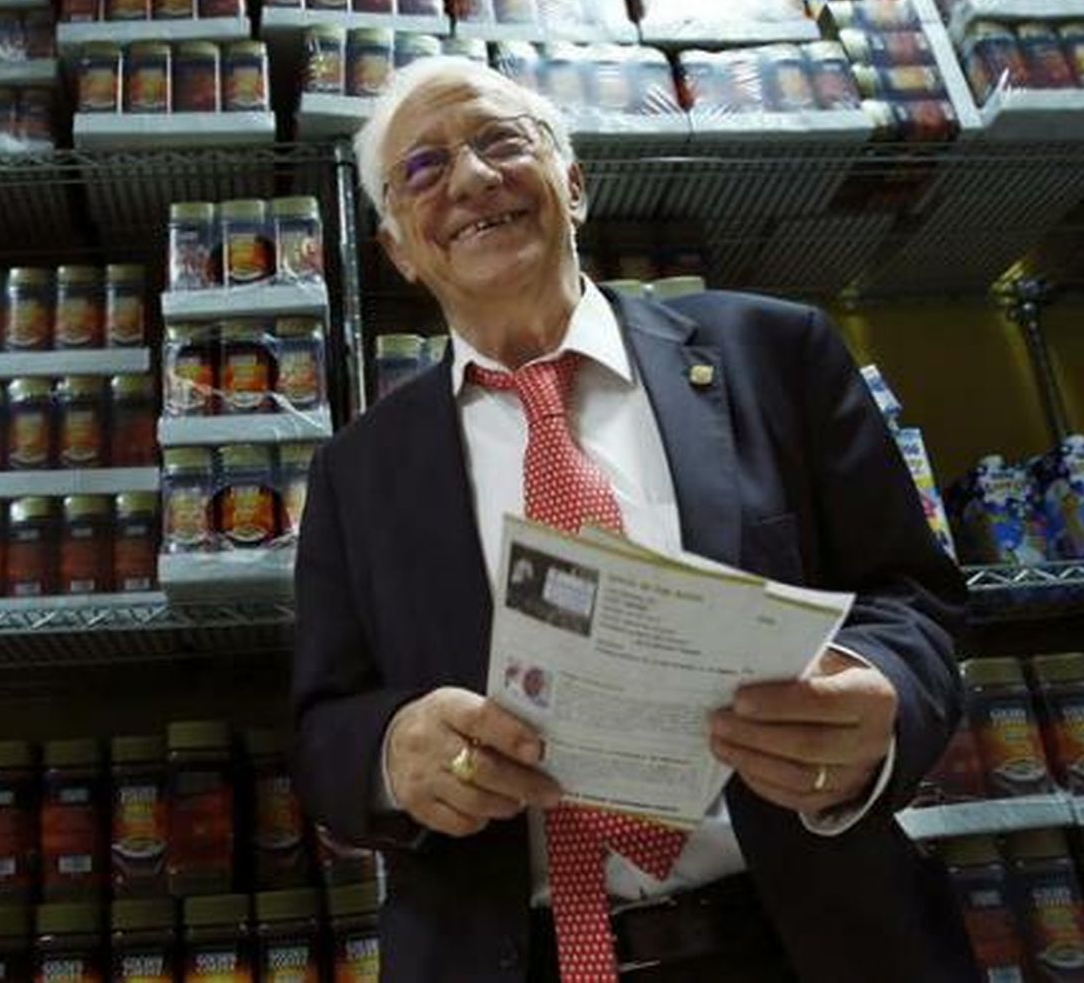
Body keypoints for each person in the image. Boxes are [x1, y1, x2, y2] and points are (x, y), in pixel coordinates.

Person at [289, 56, 976, 982]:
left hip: (811, 937)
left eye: (502, 142)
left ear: (572, 186)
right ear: (401, 249)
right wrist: (388, 753)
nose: (473, 179)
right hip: (520, 956)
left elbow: (916, 598)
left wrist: (879, 695)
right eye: (423, 168)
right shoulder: (354, 471)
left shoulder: (777, 355)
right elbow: (322, 729)